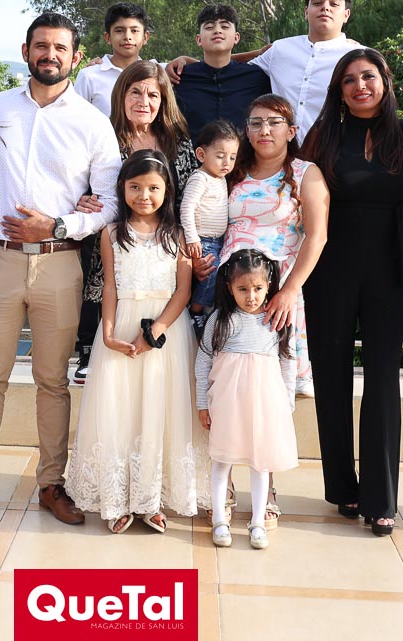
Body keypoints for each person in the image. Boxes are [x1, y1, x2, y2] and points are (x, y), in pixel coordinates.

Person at [0, 12, 121, 527]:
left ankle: (52, 484)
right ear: (26, 51)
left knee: (53, 381)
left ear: (76, 56)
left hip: (59, 263)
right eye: (41, 46)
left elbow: (111, 200)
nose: (50, 55)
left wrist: (58, 225)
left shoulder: (92, 122)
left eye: (60, 47)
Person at [300, 47, 403, 536]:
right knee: (330, 377)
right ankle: (343, 488)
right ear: (339, 90)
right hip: (329, 268)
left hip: (387, 268)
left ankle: (381, 498)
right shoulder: (322, 135)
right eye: (349, 80)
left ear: (385, 82)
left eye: (368, 77)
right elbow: (296, 192)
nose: (360, 86)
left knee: (383, 380)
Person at [65, 151, 198, 533]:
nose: (144, 195)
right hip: (122, 328)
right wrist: (108, 334)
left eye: (153, 188)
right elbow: (110, 286)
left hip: (166, 334)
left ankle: (150, 500)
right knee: (120, 412)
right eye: (135, 187)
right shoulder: (111, 233)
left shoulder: (177, 236)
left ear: (167, 189)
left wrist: (155, 332)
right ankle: (117, 498)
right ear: (122, 188)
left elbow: (183, 291)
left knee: (158, 410)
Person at [221, 93, 329, 525]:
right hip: (227, 297)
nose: (264, 130)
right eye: (255, 122)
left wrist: (289, 290)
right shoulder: (233, 170)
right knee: (223, 388)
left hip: (276, 298)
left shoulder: (306, 174)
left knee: (268, 396)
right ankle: (223, 483)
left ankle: (265, 489)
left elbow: (317, 237)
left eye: (273, 122)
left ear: (291, 130)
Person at [74, 60, 199, 384]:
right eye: (135, 93)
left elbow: (190, 196)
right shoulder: (102, 137)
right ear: (121, 95)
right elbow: (78, 183)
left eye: (153, 95)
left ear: (164, 100)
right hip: (112, 243)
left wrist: (191, 244)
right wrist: (81, 200)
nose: (144, 102)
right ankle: (89, 352)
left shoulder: (178, 142)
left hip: (165, 249)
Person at [167, 0, 362, 141]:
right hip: (283, 157)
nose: (325, 8)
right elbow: (226, 65)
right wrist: (191, 62)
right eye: (318, 3)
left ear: (346, 14)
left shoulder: (358, 57)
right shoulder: (281, 49)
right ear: (306, 11)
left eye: (334, 4)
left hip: (333, 152)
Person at [196, 249, 299, 551]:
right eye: (242, 289)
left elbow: (287, 362)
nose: (251, 297)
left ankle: (257, 522)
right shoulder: (219, 320)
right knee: (222, 459)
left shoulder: (276, 320)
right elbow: (203, 362)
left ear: (269, 286)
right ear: (229, 287)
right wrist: (202, 403)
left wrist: (286, 403)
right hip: (226, 403)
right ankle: (219, 519)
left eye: (257, 288)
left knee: (260, 461)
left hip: (265, 404)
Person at [172, 4, 271, 135]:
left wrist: (257, 53)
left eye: (224, 26)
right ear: (199, 39)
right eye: (209, 27)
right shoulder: (179, 78)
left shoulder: (257, 77)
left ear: (236, 37)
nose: (217, 30)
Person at [181, 120, 239, 330]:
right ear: (201, 154)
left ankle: (208, 311)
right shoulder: (200, 178)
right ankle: (195, 311)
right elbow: (186, 208)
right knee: (211, 274)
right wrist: (192, 238)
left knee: (221, 275)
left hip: (218, 240)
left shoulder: (220, 178)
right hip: (202, 240)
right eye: (220, 155)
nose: (227, 162)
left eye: (232, 157)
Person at [73, 2, 153, 116]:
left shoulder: (155, 74)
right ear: (108, 37)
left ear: (145, 37)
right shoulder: (89, 76)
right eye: (119, 31)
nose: (127, 37)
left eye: (134, 31)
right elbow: (75, 118)